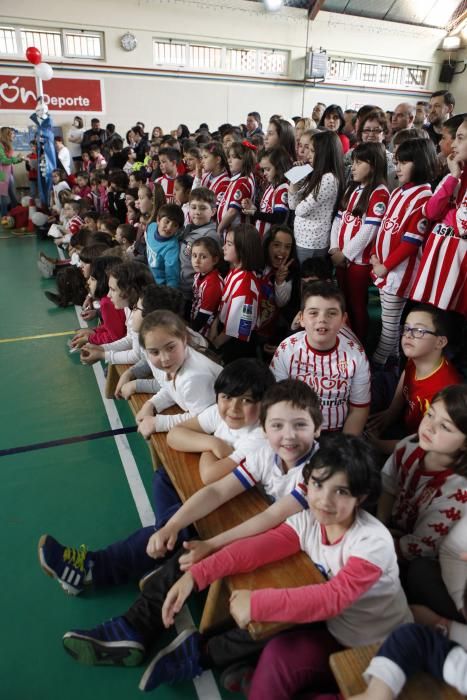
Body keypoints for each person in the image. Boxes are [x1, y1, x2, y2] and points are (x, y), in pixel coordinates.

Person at [38, 360, 275, 595]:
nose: (233, 408)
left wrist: (206, 448)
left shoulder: (258, 437)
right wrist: (212, 442)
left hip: (253, 510)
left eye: (247, 401)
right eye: (227, 397)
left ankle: (92, 568)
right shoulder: (221, 413)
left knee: (182, 519)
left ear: (264, 404)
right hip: (227, 489)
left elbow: (209, 476)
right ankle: (164, 552)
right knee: (164, 477)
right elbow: (175, 435)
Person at [377, 385, 467, 613]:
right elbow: (388, 486)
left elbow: (420, 548)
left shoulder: (457, 493)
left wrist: (379, 542)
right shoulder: (410, 445)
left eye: (445, 427)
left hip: (424, 554)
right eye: (430, 415)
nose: (429, 427)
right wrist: (380, 526)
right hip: (396, 530)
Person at [270, 280, 371, 435]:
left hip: (339, 433)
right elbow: (276, 404)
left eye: (332, 313)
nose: (322, 319)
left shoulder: (356, 355)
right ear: (301, 319)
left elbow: (358, 410)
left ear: (343, 320)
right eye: (313, 313)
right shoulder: (286, 349)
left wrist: (342, 450)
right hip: (294, 431)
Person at [370, 138, 437, 369]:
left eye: (403, 162)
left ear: (419, 163)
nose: (397, 168)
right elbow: (386, 228)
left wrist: (385, 266)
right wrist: (375, 256)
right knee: (390, 324)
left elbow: (410, 242)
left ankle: (378, 369)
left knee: (389, 330)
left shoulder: (424, 197)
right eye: (396, 162)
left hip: (397, 275)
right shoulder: (400, 191)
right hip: (384, 270)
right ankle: (394, 367)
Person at [367, 304, 461, 454]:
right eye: (406, 328)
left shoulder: (443, 393)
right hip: (407, 417)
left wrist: (377, 445)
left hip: (421, 440)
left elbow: (422, 443)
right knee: (373, 382)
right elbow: (406, 373)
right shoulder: (418, 356)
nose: (408, 335)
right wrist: (392, 411)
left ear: (440, 342)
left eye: (419, 330)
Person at [329, 142, 390, 342]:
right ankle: (345, 337)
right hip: (341, 258)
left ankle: (359, 342)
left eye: (358, 162)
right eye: (352, 162)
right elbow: (338, 220)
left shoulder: (379, 193)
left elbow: (369, 230)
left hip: (359, 262)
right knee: (343, 301)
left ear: (373, 165)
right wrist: (334, 248)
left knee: (357, 304)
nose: (352, 167)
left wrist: (344, 254)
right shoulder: (353, 188)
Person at [131, 310, 222, 437]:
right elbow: (172, 389)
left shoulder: (194, 377)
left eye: (170, 347)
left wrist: (159, 423)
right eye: (155, 352)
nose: (164, 358)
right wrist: (151, 404)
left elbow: (202, 419)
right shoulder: (175, 362)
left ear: (184, 340)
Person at [410, 116, 467, 315]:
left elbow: (463, 225)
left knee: (452, 321)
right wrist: (453, 178)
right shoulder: (456, 172)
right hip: (439, 255)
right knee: (433, 316)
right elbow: (430, 211)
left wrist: (448, 214)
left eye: (460, 138)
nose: (453, 144)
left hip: (459, 262)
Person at [80, 260, 153, 366]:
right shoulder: (129, 306)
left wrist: (103, 354)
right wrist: (101, 348)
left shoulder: (140, 315)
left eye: (113, 290)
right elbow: (130, 339)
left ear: (129, 291)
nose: (109, 295)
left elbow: (136, 356)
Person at [209, 223, 263, 361]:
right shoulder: (235, 271)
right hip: (224, 330)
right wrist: (215, 325)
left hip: (235, 344)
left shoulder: (245, 287)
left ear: (242, 249)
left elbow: (237, 330)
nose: (223, 247)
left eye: (229, 244)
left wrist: (212, 347)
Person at [288, 130, 344, 263]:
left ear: (324, 154)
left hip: (313, 242)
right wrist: (295, 176)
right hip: (303, 239)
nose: (307, 155)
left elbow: (299, 210)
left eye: (312, 151)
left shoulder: (329, 178)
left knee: (309, 282)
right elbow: (292, 204)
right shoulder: (314, 173)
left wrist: (299, 200)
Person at [69, 255, 127, 349]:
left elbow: (115, 337)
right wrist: (94, 331)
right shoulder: (110, 300)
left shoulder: (106, 303)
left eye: (93, 279)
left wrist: (90, 339)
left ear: (103, 281)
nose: (88, 282)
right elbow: (113, 328)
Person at [256, 225, 296, 350]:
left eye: (287, 247)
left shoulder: (290, 272)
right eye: (277, 245)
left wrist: (280, 281)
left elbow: (281, 302)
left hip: (269, 332)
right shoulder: (256, 265)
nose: (282, 251)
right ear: (267, 245)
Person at [178, 187, 218, 312]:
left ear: (213, 211)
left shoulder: (210, 235)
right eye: (193, 207)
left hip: (194, 295)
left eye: (203, 208)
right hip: (181, 288)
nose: (197, 212)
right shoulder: (188, 228)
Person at [242, 146, 292, 239]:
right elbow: (267, 211)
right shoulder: (271, 186)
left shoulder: (282, 188)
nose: (264, 173)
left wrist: (254, 213)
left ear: (279, 167)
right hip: (261, 235)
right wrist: (254, 208)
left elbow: (279, 218)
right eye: (263, 169)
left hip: (271, 239)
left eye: (268, 169)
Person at [217, 141, 256, 238]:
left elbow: (233, 211)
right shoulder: (238, 179)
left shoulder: (243, 182)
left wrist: (220, 228)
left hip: (236, 234)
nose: (229, 161)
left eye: (233, 157)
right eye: (228, 157)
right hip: (230, 232)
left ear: (245, 159)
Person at [190, 236, 223, 337]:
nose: (197, 261)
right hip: (195, 321)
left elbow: (204, 315)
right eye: (194, 255)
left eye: (203, 257)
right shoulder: (199, 274)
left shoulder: (213, 283)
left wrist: (190, 332)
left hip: (204, 330)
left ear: (215, 260)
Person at [145, 203, 184, 287]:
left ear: (178, 229)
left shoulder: (172, 248)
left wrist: (170, 294)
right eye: (167, 221)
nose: (169, 227)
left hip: (159, 286)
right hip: (147, 275)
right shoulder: (151, 227)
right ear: (158, 220)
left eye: (175, 225)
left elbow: (172, 276)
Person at [192, 141, 230, 208]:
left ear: (218, 159)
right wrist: (198, 176)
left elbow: (214, 208)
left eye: (205, 157)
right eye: (202, 158)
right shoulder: (204, 176)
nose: (202, 161)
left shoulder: (225, 182)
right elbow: (193, 198)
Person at [0, 126, 23, 215]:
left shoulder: (7, 144)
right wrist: (17, 159)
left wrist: (19, 159)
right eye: (12, 133)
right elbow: (3, 160)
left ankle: (15, 213)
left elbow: (8, 159)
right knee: (3, 195)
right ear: (7, 134)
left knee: (12, 194)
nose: (14, 135)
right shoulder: (0, 145)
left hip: (8, 172)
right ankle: (4, 216)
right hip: (2, 173)